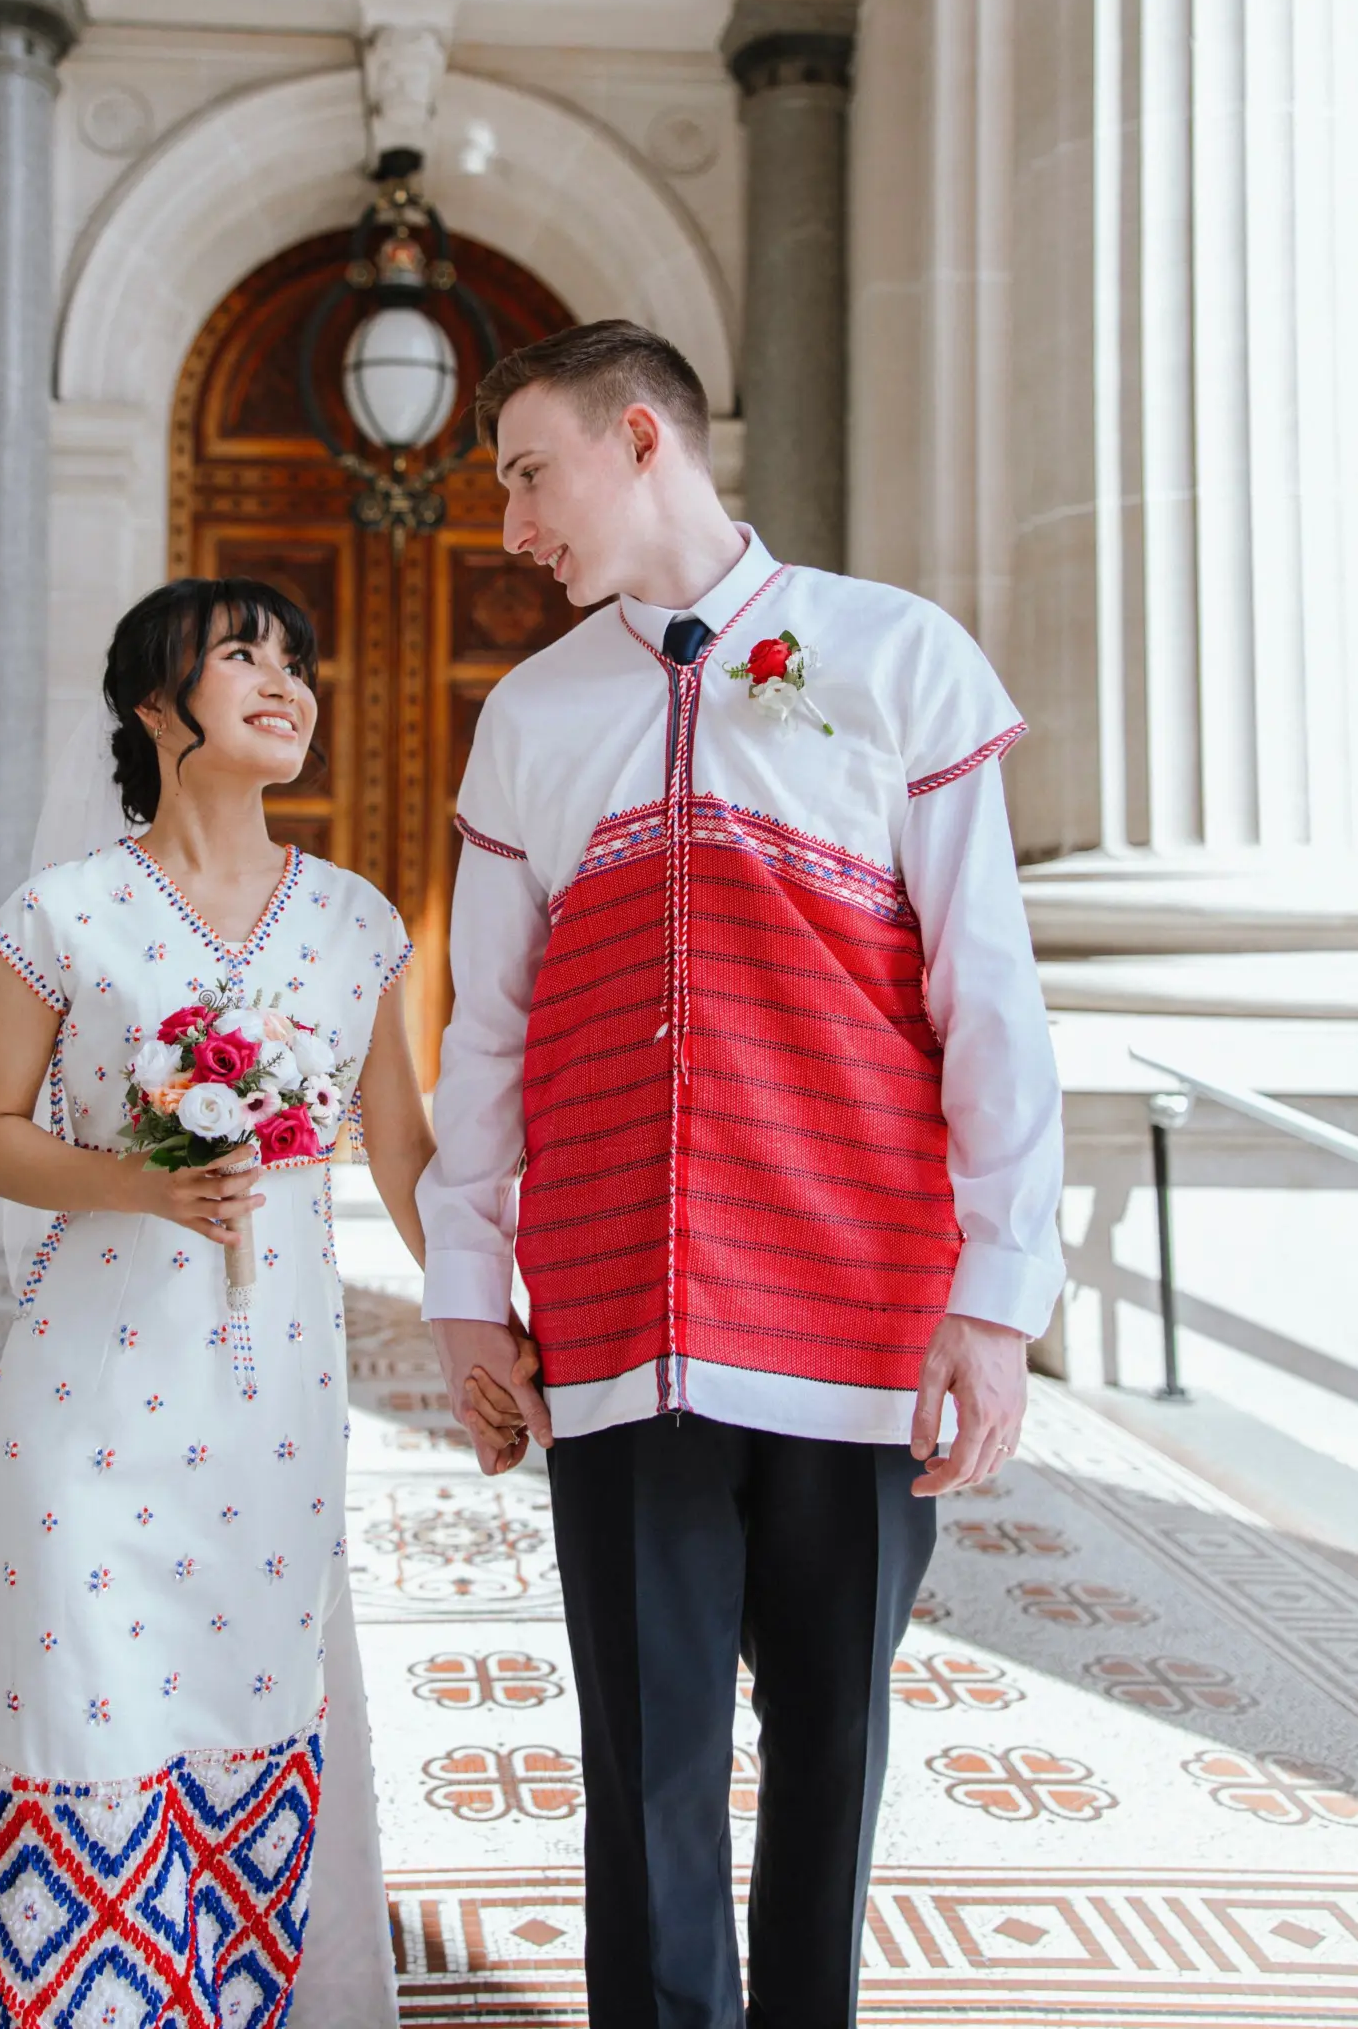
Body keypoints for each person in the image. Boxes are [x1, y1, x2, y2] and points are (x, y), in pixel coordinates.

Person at [417, 323, 1064, 2029]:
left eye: (525, 473)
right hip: (624, 1311)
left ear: (640, 439)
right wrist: (467, 1293)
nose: (509, 526)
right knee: (645, 1768)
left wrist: (996, 1299)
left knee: (834, 1748)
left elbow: (981, 994)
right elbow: (485, 1027)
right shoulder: (532, 716)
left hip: (859, 1311)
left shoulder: (895, 654)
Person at [0, 577, 477, 2028]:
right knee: (85, 1724)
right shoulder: (57, 915)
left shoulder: (356, 921)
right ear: (150, 705)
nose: (284, 681)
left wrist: (485, 1330)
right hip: (89, 1411)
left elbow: (402, 1148)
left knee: (246, 1716)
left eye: (295, 659)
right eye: (241, 654)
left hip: (272, 1415)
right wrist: (146, 1178)